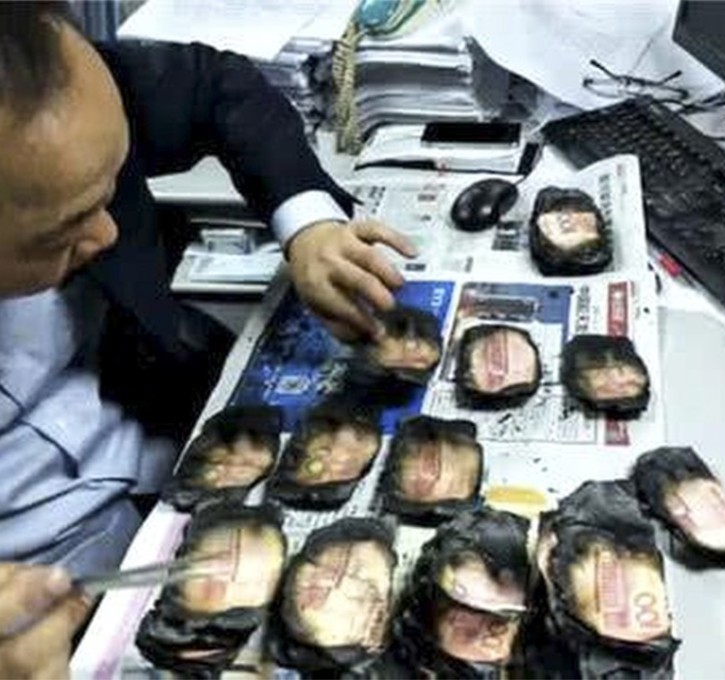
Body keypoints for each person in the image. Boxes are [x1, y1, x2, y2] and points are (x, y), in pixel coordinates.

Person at [0, 2, 415, 674]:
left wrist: (308, 226)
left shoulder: (49, 95)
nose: (108, 235)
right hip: (41, 602)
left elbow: (216, 84)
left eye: (113, 186)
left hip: (173, 418)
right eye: (63, 230)